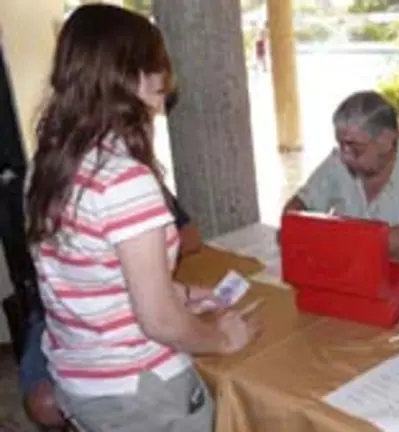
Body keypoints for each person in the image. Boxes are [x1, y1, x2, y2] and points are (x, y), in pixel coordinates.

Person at [24, 5, 261, 431]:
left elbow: (91, 278)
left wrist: (181, 292)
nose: (162, 91)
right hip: (141, 389)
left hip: (81, 379)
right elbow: (160, 321)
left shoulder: (50, 165)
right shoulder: (124, 180)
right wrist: (223, 338)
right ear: (129, 74)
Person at [19, 191, 201, 430]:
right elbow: (157, 321)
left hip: (128, 310)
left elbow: (192, 236)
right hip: (61, 319)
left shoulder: (137, 184)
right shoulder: (56, 183)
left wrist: (146, 254)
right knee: (45, 402)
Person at [282, 90, 399, 264]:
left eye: (355, 147)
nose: (345, 156)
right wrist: (294, 227)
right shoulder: (338, 162)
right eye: (341, 145)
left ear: (386, 140)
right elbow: (297, 208)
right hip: (350, 273)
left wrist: (335, 240)